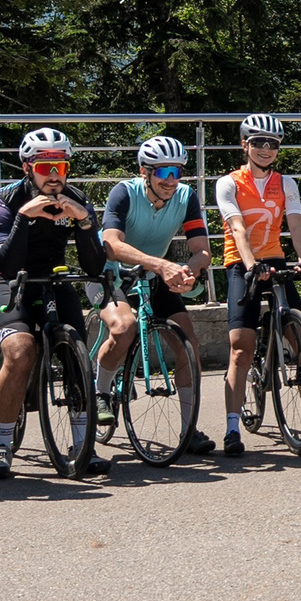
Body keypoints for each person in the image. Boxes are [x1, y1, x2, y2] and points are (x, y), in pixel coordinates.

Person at [0, 127, 106, 479]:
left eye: (61, 167)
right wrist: (26, 216)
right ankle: (1, 445)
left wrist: (83, 223)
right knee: (21, 351)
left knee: (76, 352)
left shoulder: (77, 199)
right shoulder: (6, 201)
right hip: (9, 277)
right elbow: (4, 264)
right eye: (44, 167)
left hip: (52, 274)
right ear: (27, 168)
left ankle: (83, 444)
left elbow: (94, 266)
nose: (54, 176)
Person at [97, 135, 213, 459]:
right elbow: (113, 245)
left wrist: (188, 271)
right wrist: (161, 264)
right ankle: (100, 392)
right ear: (144, 171)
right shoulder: (124, 192)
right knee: (123, 329)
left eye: (177, 172)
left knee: (189, 344)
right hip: (109, 273)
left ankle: (189, 429)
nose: (171, 181)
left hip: (153, 272)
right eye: (164, 173)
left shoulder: (186, 196)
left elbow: (202, 250)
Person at [217, 113, 301, 450]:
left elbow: (296, 225)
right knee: (240, 348)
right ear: (245, 145)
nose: (265, 149)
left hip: (274, 258)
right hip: (239, 262)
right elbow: (238, 229)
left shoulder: (286, 183)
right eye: (258, 142)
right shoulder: (228, 183)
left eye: (272, 144)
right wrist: (249, 266)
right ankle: (232, 430)